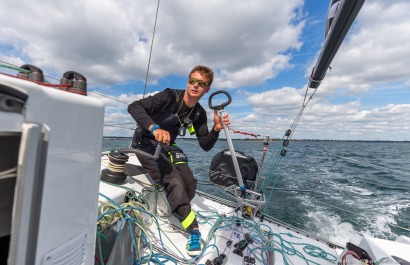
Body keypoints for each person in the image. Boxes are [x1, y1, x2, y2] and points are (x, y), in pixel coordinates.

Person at [127, 65, 230, 256]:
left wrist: (216, 129)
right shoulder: (169, 96)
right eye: (192, 81)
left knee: (189, 182)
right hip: (145, 143)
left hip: (167, 146)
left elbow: (205, 145)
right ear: (188, 81)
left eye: (201, 83)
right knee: (173, 179)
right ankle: (193, 229)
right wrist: (154, 128)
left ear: (207, 89)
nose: (195, 85)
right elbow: (134, 106)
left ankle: (178, 210)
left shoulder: (199, 113)